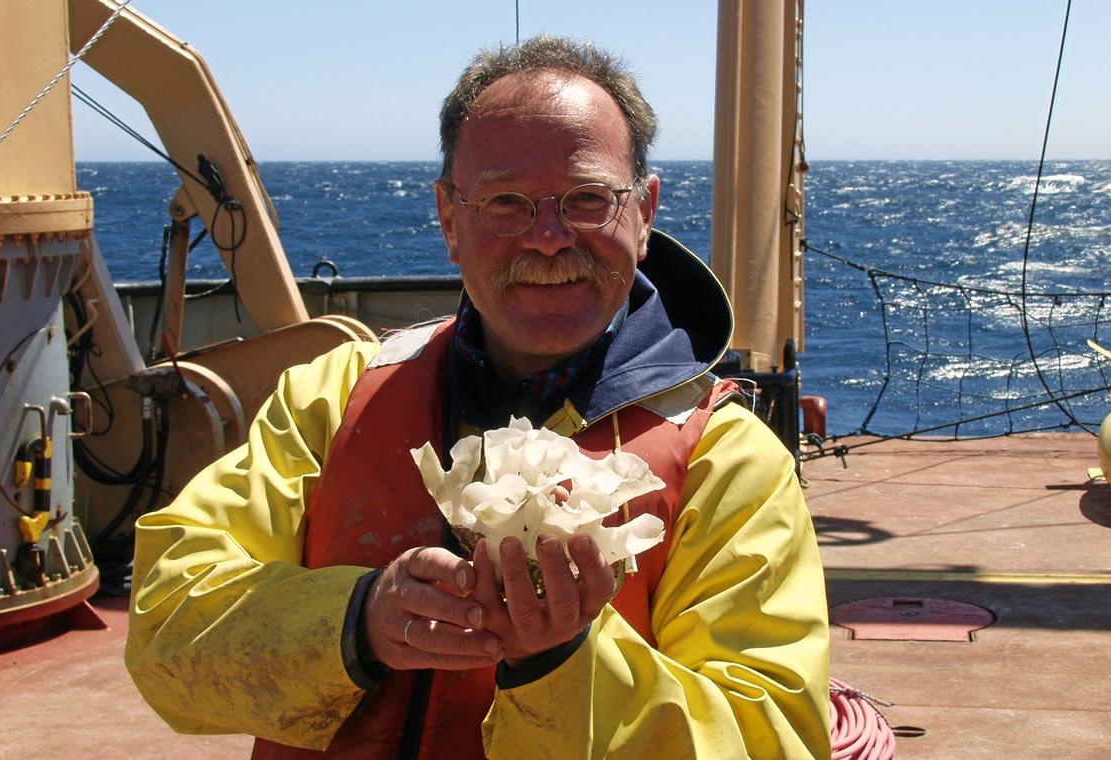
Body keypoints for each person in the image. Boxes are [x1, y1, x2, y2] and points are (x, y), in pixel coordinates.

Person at [126, 35, 832, 759]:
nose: (550, 239)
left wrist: (565, 658)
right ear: (448, 220)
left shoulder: (728, 461)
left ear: (644, 213)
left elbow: (772, 734)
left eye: (588, 200)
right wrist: (359, 619)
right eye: (505, 203)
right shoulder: (331, 400)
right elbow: (165, 624)